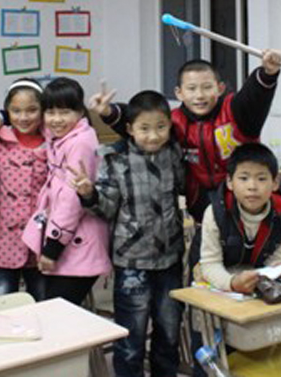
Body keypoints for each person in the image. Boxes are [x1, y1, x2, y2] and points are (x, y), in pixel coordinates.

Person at [70, 90, 185, 377]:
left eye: (160, 127)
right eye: (144, 128)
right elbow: (107, 208)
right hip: (132, 262)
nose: (153, 136)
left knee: (169, 333)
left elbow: (183, 186)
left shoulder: (173, 153)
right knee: (131, 339)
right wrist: (89, 194)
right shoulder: (114, 158)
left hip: (170, 259)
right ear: (130, 129)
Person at [91, 50, 281, 222]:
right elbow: (143, 124)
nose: (199, 95)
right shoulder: (174, 121)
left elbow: (253, 97)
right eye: (191, 88)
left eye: (207, 87)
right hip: (203, 207)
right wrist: (109, 112)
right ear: (179, 93)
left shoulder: (235, 111)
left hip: (246, 204)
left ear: (220, 88)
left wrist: (267, 73)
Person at [189, 142, 281, 376]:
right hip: (211, 279)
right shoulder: (216, 213)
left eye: (261, 178)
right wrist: (232, 283)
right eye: (244, 178)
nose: (252, 186)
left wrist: (279, 271)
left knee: (253, 353)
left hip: (251, 283)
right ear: (230, 182)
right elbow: (210, 264)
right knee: (209, 349)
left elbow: (277, 260)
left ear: (275, 183)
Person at [22, 77, 111, 306]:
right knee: (56, 309)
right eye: (50, 112)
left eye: (64, 112)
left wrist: (53, 249)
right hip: (65, 237)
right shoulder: (60, 135)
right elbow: (29, 120)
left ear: (79, 112)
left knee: (56, 311)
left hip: (78, 239)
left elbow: (71, 202)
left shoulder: (80, 142)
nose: (56, 119)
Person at [0, 78, 47, 301]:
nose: (23, 117)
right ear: (7, 111)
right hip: (1, 241)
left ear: (43, 110)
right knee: (2, 304)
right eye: (16, 111)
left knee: (44, 305)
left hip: (41, 241)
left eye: (32, 110)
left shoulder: (53, 144)